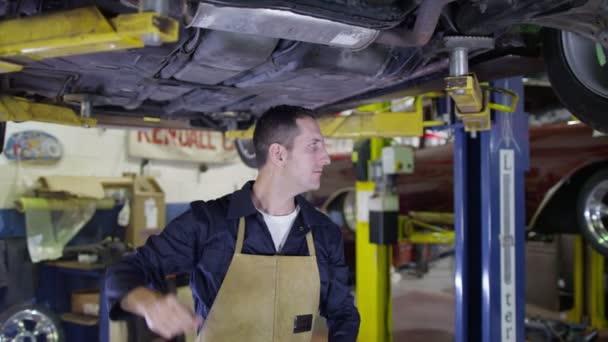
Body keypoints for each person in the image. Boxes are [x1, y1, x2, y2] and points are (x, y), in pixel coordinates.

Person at [105, 105, 360, 341]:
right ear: (279, 154)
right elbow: (123, 272)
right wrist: (147, 302)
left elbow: (343, 313)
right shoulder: (209, 223)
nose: (326, 158)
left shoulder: (323, 232)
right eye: (314, 146)